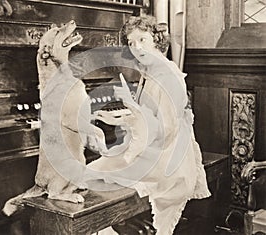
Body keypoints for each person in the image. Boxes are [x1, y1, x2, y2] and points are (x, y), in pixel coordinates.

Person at [87, 15, 211, 235]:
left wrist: (128, 104)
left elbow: (165, 128)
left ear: (156, 39)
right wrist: (116, 118)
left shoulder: (166, 73)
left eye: (142, 40)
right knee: (92, 171)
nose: (137, 48)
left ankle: (110, 228)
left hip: (168, 155)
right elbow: (149, 117)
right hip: (159, 146)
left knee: (94, 173)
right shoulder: (151, 71)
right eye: (132, 43)